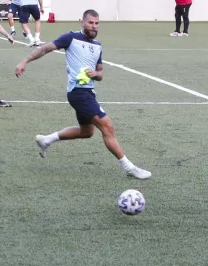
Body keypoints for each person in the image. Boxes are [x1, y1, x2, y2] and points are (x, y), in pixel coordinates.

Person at [16, 10, 151, 180]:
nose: (94, 26)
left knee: (87, 131)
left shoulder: (97, 46)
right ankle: (130, 167)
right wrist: (24, 61)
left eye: (97, 23)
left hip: (88, 92)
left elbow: (100, 73)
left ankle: (46, 140)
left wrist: (95, 74)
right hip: (78, 93)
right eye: (90, 22)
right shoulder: (71, 38)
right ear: (82, 22)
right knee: (107, 126)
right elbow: (45, 49)